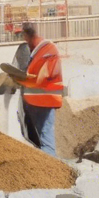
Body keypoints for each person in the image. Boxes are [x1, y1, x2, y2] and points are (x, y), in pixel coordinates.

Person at [17, 22, 64, 156]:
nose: (24, 40)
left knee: (45, 138)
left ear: (28, 35)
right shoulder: (39, 51)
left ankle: (50, 170)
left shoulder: (47, 50)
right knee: (41, 138)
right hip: (36, 102)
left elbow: (43, 76)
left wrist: (21, 79)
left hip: (44, 101)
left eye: (24, 36)